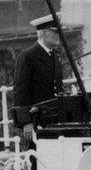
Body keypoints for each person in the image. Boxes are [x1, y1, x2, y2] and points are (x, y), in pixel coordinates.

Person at [12, 14, 64, 142]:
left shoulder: (55, 55)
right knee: (36, 157)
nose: (59, 36)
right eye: (56, 32)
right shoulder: (28, 56)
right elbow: (20, 92)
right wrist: (26, 122)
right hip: (36, 119)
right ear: (45, 33)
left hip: (55, 118)